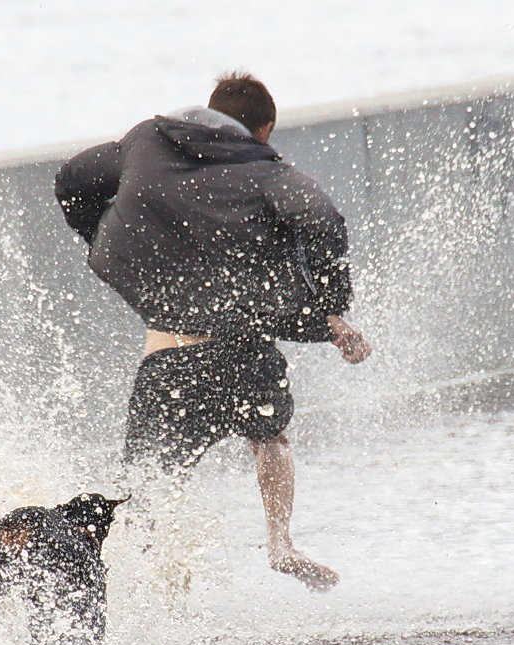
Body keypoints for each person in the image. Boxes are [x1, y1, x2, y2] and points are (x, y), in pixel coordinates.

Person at [54, 72, 371, 592]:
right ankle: (281, 543)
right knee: (270, 441)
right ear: (263, 127)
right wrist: (333, 309)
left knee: (153, 489)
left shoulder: (144, 144)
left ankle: (163, 596)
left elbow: (72, 180)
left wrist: (103, 242)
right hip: (245, 355)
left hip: (171, 363)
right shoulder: (263, 168)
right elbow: (322, 218)